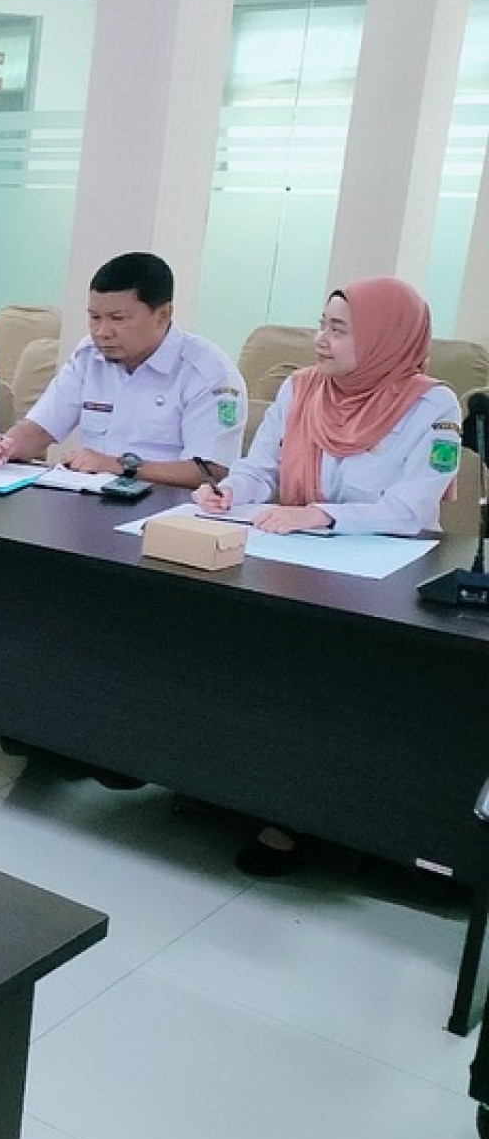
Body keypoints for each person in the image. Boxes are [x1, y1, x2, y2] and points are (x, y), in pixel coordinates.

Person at [196, 277, 460, 876]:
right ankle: (232, 783)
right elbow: (260, 470)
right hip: (291, 559)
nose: (321, 340)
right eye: (322, 325)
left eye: (339, 330)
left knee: (327, 675)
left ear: (386, 338)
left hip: (383, 578)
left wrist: (320, 514)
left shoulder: (432, 405)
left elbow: (412, 509)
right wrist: (229, 490)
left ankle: (302, 815)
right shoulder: (299, 389)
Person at [0, 251, 245, 486]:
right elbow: (40, 429)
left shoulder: (209, 374)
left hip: (166, 513)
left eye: (118, 319)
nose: (102, 332)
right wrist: (2, 447)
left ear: (163, 314)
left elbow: (212, 471)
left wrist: (120, 467)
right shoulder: (88, 357)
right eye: (94, 318)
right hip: (90, 499)